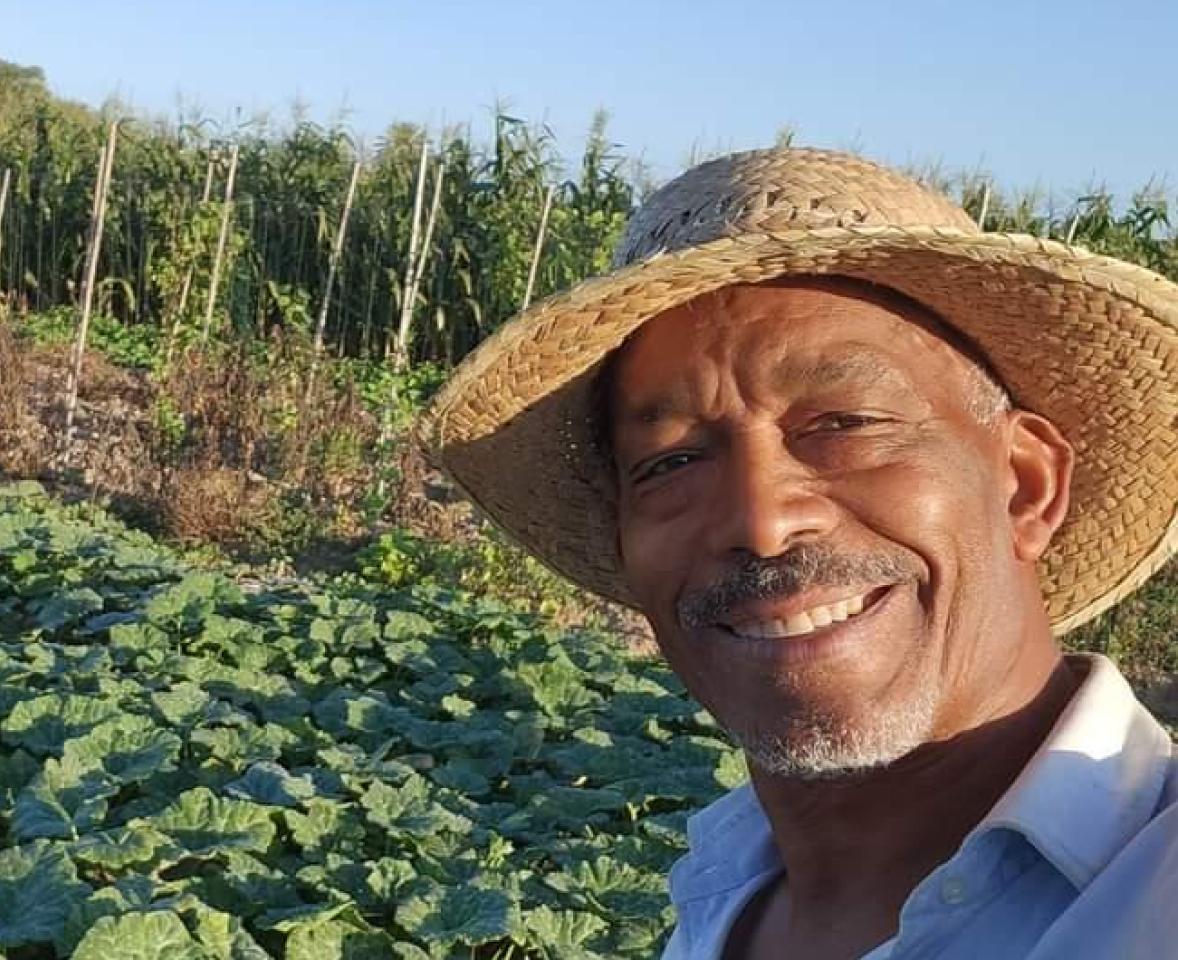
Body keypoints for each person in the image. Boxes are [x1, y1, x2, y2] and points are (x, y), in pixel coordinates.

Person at [423, 148, 1178, 959]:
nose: (762, 522)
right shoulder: (722, 892)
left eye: (843, 424)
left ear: (1026, 486)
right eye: (671, 462)